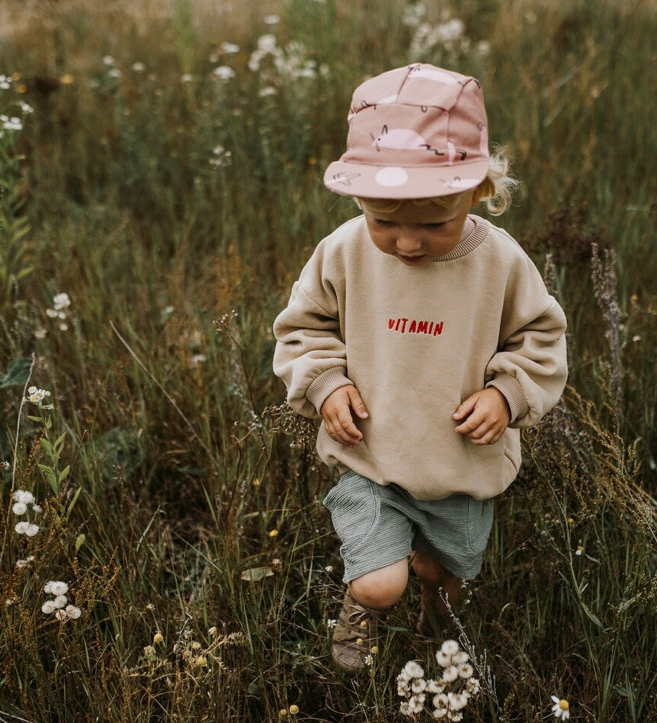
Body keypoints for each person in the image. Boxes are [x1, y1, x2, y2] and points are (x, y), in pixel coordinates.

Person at [273, 63, 568, 673]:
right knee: (384, 583)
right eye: (384, 221)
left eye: (434, 223)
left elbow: (540, 337)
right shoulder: (344, 251)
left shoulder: (502, 264)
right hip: (372, 457)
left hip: (459, 463)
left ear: (481, 190)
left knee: (443, 580)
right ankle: (363, 601)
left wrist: (508, 393)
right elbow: (303, 328)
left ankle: (439, 646)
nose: (407, 243)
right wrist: (326, 382)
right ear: (359, 198)